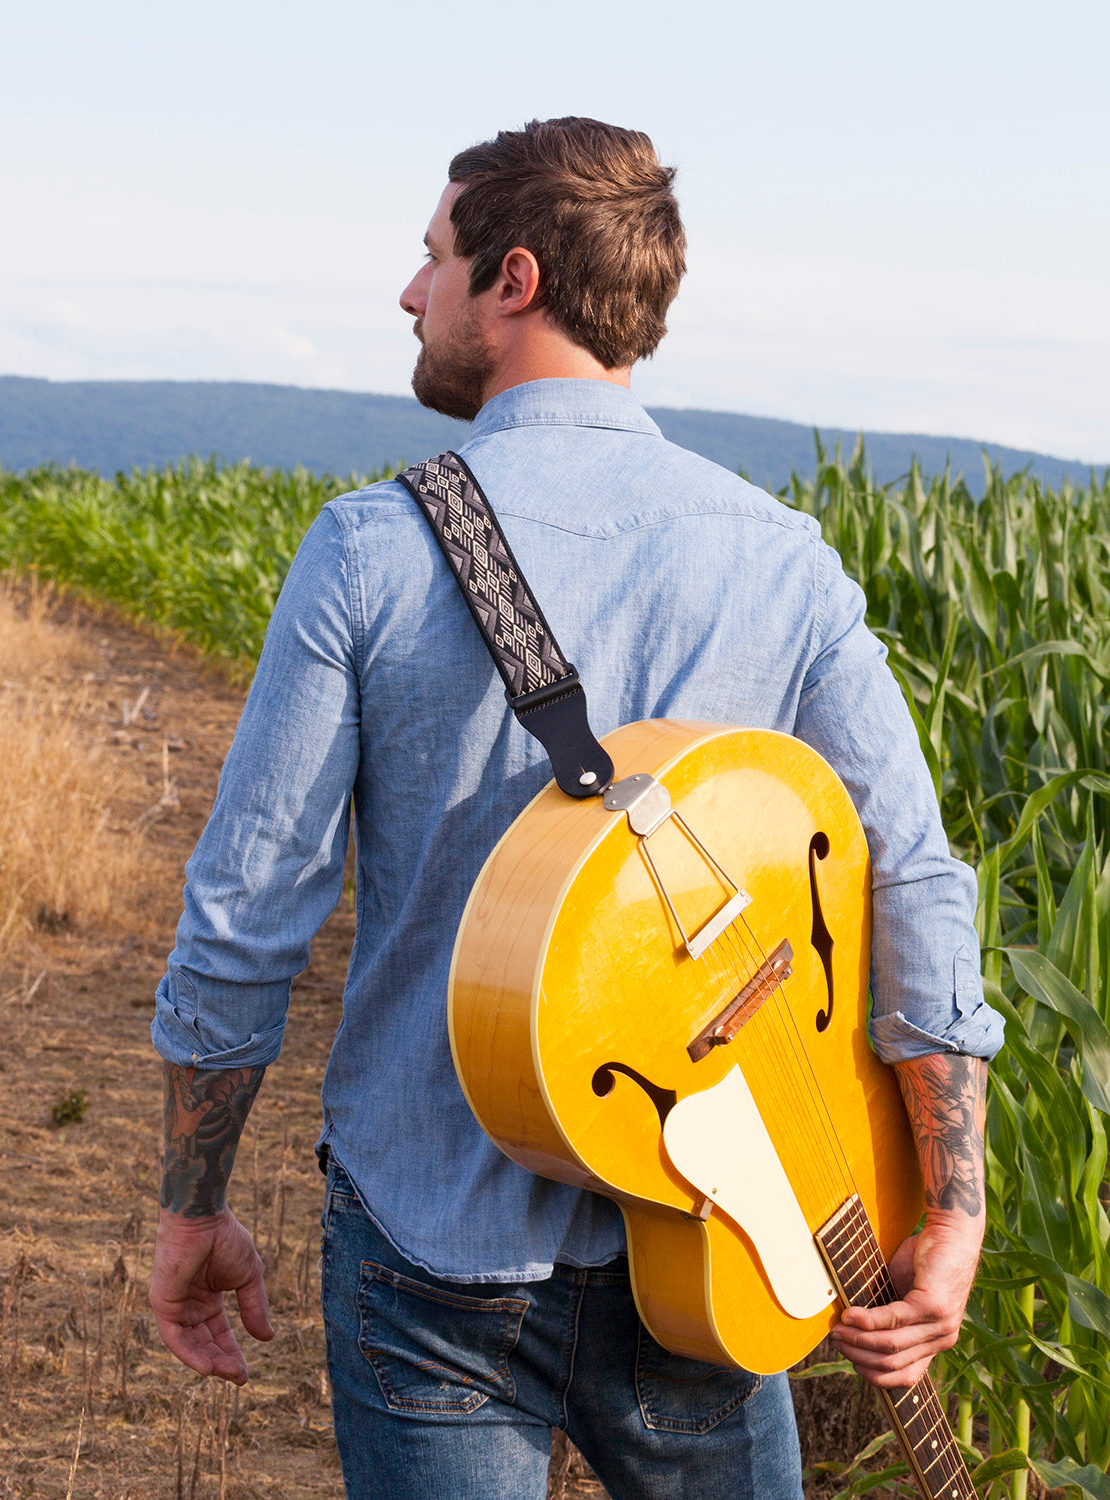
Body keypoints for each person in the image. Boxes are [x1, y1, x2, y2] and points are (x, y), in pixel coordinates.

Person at [148, 117, 1004, 1499]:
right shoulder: (777, 560)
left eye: (432, 257)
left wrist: (190, 1208)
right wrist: (950, 1204)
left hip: (434, 1244)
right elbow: (907, 879)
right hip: (718, 1230)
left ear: (516, 278)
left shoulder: (372, 548)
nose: (409, 293)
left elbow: (248, 921)